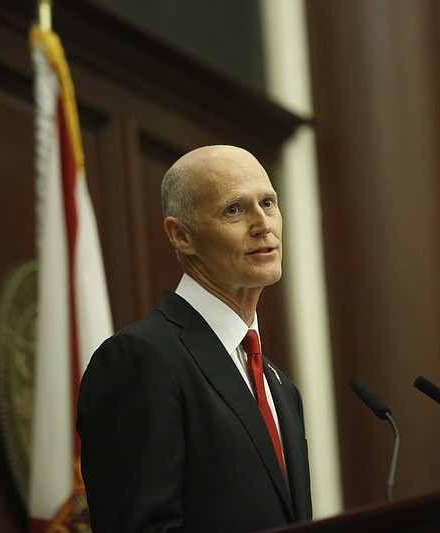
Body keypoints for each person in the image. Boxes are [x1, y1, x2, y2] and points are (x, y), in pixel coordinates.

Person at [77, 145, 313, 532]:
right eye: (234, 209)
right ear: (181, 235)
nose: (262, 224)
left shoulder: (280, 387)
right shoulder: (142, 359)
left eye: (268, 203)